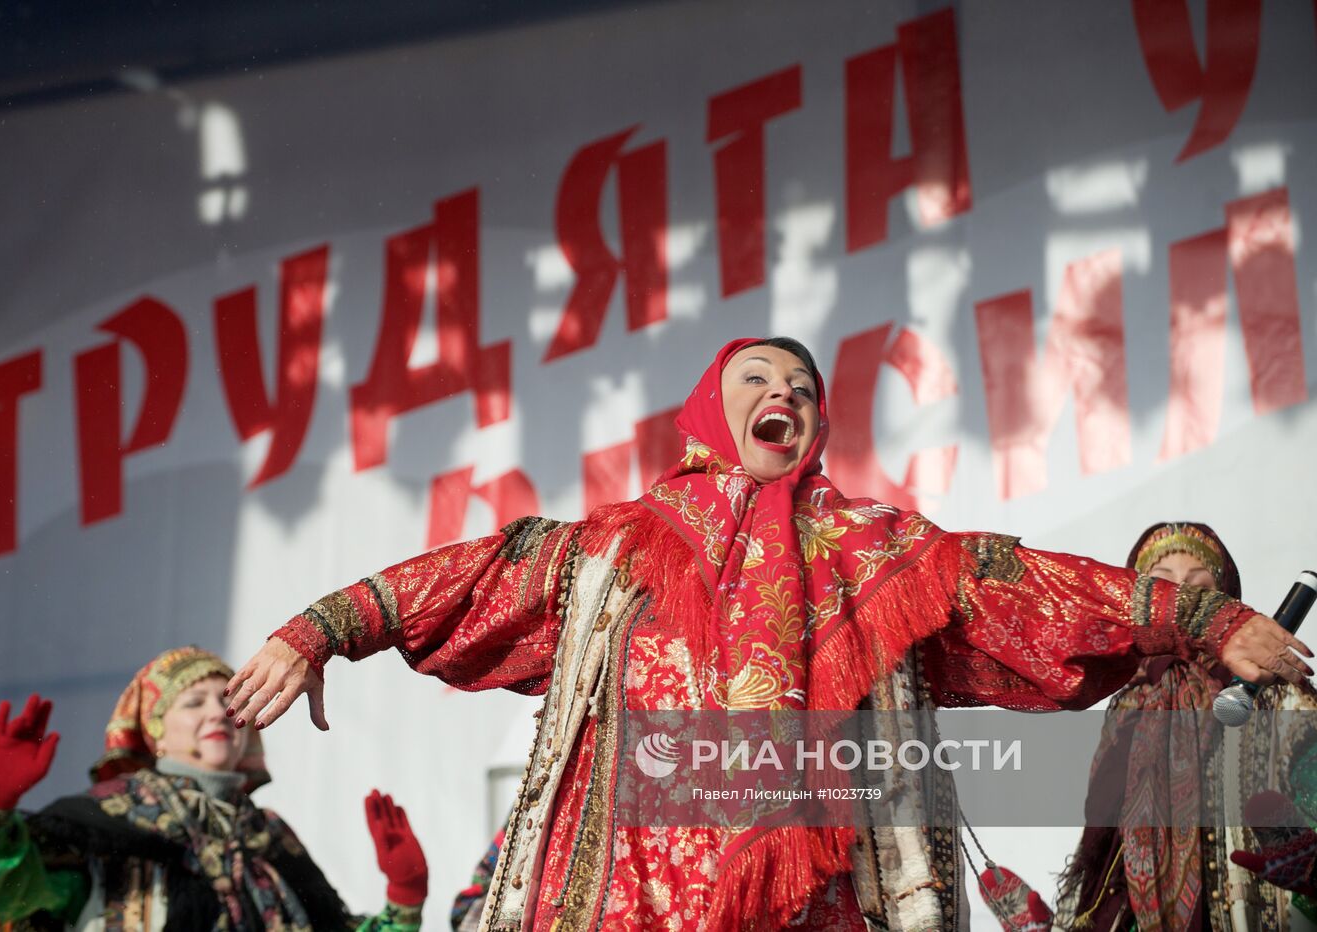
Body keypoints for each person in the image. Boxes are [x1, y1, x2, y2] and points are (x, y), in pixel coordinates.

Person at [225, 338, 1308, 931]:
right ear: (709, 411)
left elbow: (1013, 590)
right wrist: (315, 632)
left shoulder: (880, 550)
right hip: (632, 893)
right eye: (756, 379)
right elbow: (465, 582)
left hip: (826, 893)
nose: (782, 391)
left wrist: (1195, 615)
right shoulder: (607, 549)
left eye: (800, 385)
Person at [0, 646, 428, 931]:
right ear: (155, 729)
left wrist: (404, 897)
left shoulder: (268, 835)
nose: (218, 712)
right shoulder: (105, 822)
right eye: (194, 702)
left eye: (230, 698)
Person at [1056, 524, 1317, 932]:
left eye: (1199, 585)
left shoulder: (1276, 694)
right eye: (1161, 585)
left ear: (1225, 601)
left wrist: (1312, 873)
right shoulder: (1129, 705)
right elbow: (1108, 863)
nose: (1180, 596)